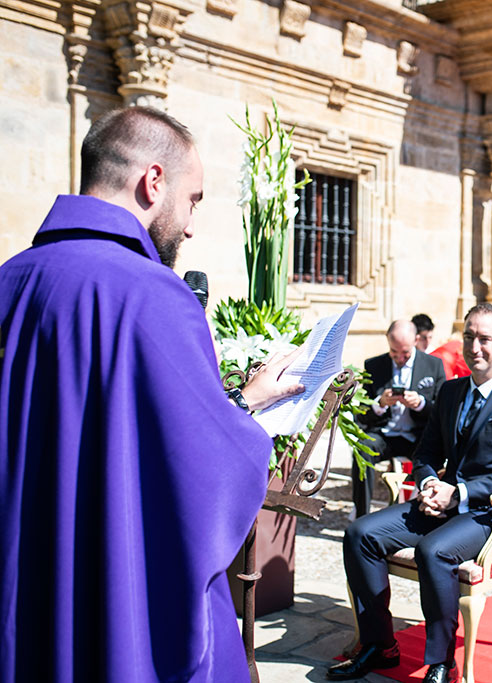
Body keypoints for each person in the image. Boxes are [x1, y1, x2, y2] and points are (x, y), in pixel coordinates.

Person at [0, 107, 306, 682]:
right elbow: (202, 473)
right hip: (108, 598)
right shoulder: (152, 295)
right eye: (194, 200)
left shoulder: (8, 281)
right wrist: (245, 411)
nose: (190, 226)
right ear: (153, 181)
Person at [331, 304, 492, 683]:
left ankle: (441, 663)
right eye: (469, 337)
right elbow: (426, 452)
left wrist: (458, 492)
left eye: (484, 339)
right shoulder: (450, 392)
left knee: (434, 551)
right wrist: (430, 482)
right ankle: (380, 646)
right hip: (444, 501)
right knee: (360, 534)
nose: (475, 347)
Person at [353, 320, 447, 518]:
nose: (399, 358)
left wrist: (420, 404)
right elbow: (360, 413)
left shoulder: (433, 365)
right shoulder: (374, 365)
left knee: (436, 456)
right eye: (394, 352)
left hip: (418, 436)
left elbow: (443, 411)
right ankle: (361, 514)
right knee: (361, 449)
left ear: (416, 340)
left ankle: (429, 512)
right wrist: (380, 403)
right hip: (385, 434)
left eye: (405, 353)